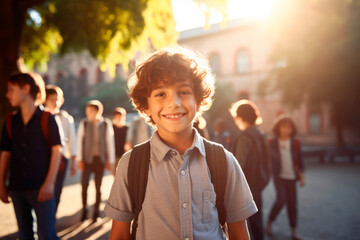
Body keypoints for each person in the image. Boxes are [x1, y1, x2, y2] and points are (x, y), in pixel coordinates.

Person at [104, 46, 257, 239]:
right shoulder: (131, 164)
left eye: (183, 92)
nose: (174, 103)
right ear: (146, 106)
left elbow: (239, 233)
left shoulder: (223, 161)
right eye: (160, 94)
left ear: (198, 101)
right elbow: (119, 235)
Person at [0, 72, 62, 239]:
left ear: (26, 89)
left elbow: (57, 151)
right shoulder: (10, 121)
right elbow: (5, 153)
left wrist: (49, 183)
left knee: (46, 235)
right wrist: (1, 183)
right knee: (25, 234)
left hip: (41, 187)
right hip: (17, 187)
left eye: (11, 89)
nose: (7, 94)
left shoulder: (47, 118)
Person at [230, 99, 271, 240]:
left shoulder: (245, 137)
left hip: (246, 185)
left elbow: (238, 164)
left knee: (247, 224)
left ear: (240, 117)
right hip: (259, 182)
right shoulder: (259, 134)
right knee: (257, 220)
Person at [265, 114, 305, 240]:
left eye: (289, 127)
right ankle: (269, 221)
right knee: (281, 200)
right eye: (284, 127)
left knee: (292, 204)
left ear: (292, 129)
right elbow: (267, 160)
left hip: (292, 177)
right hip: (279, 177)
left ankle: (294, 232)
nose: (286, 130)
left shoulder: (295, 142)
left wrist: (302, 176)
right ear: (278, 128)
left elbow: (300, 160)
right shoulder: (272, 142)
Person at [77, 100, 115, 222]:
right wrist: (79, 160)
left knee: (98, 187)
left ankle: (96, 213)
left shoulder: (106, 124)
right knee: (84, 186)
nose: (88, 113)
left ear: (98, 111)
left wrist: (110, 160)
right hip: (87, 160)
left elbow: (110, 143)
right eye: (87, 111)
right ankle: (84, 210)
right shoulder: (84, 124)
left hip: (100, 160)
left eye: (91, 111)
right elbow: (79, 142)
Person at [44, 85, 77, 212]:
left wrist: (73, 161)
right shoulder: (41, 118)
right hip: (43, 159)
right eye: (52, 99)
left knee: (56, 192)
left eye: (57, 99)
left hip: (61, 160)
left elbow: (72, 140)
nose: (55, 102)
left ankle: (51, 219)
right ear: (45, 100)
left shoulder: (66, 118)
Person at [112, 107, 128, 174]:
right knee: (115, 174)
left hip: (125, 155)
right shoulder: (111, 127)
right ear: (114, 117)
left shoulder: (127, 128)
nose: (119, 118)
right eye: (117, 116)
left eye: (121, 116)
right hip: (114, 155)